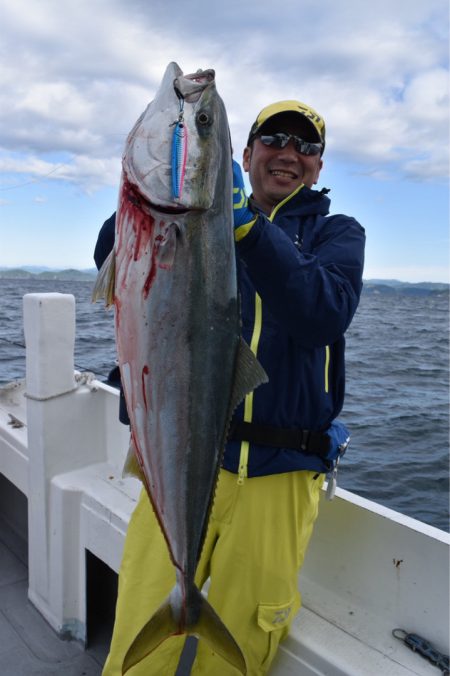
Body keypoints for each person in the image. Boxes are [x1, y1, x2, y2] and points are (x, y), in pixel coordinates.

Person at [95, 99, 365, 675]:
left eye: (307, 147)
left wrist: (245, 227)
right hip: (180, 460)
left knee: (240, 653)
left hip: (281, 475)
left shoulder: (336, 234)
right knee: (135, 647)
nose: (290, 154)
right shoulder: (194, 220)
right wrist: (156, 197)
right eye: (274, 139)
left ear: (318, 167)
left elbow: (324, 313)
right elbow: (112, 260)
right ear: (244, 155)